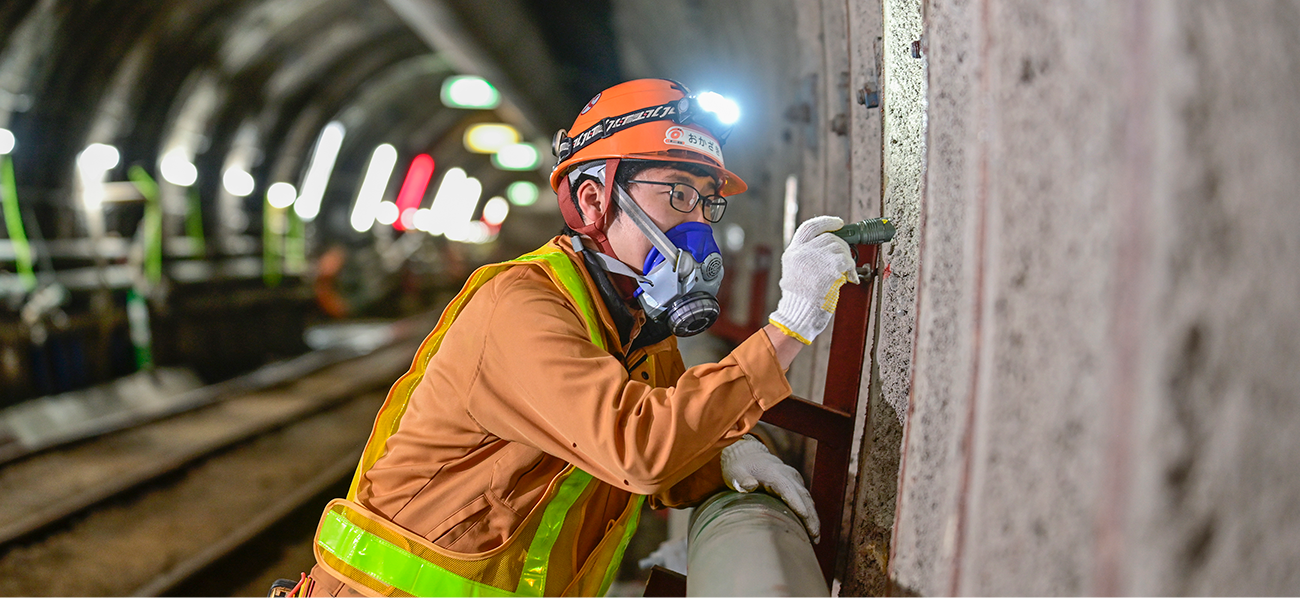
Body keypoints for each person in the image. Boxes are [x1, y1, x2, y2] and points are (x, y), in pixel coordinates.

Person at [281, 78, 859, 598]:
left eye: (707, 201)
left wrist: (723, 454)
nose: (698, 225)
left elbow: (658, 450)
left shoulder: (636, 322)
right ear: (593, 200)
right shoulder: (523, 308)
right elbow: (638, 450)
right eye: (677, 194)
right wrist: (788, 328)